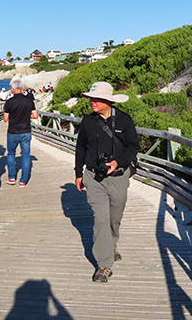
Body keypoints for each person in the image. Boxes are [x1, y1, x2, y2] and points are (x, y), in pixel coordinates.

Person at [74, 82, 139, 283]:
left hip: (118, 176)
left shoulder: (124, 120)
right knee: (100, 218)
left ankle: (112, 243)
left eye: (97, 99)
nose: (92, 102)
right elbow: (80, 148)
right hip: (94, 178)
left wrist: (117, 162)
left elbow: (133, 147)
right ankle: (104, 265)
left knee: (114, 216)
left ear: (108, 101)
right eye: (91, 98)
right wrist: (78, 173)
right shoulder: (87, 121)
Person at [3, 76, 38, 187]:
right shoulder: (29, 101)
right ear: (22, 88)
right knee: (26, 156)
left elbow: (5, 119)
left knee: (11, 154)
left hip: (13, 132)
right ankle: (23, 181)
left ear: (13, 89)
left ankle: (12, 178)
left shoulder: (9, 102)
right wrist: (27, 117)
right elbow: (35, 116)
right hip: (26, 131)